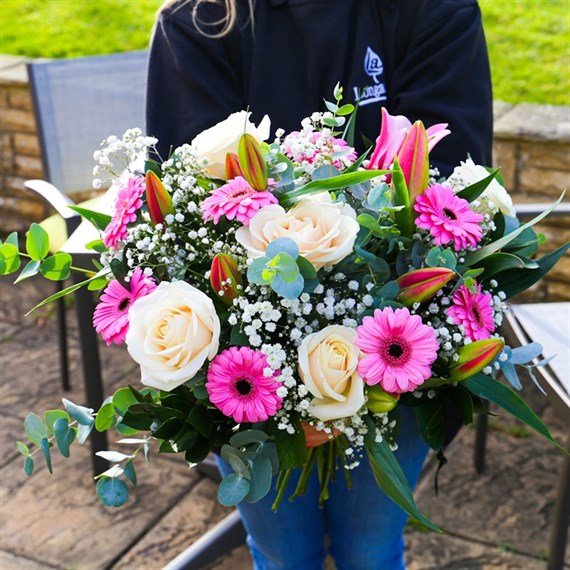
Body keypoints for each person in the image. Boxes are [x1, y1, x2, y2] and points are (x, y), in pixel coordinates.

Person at [146, 1, 493, 568]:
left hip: (396, 359)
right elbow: (188, 213)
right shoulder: (200, 20)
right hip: (250, 375)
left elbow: (451, 190)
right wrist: (293, 390)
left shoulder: (432, 10)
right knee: (282, 555)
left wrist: (346, 381)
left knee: (372, 552)